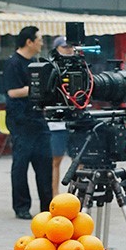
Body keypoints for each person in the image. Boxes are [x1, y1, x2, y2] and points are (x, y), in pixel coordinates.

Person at [4, 25, 53, 219]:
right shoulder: (13, 63)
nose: (42, 43)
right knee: (21, 165)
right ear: (29, 42)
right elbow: (12, 92)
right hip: (20, 121)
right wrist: (36, 88)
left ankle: (47, 206)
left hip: (38, 119)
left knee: (45, 164)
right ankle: (21, 206)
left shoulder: (35, 63)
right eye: (39, 39)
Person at [48, 36, 76, 197]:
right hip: (57, 123)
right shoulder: (51, 67)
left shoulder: (78, 66)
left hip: (75, 119)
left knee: (78, 160)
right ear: (56, 49)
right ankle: (54, 194)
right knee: (55, 160)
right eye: (65, 47)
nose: (68, 50)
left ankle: (76, 193)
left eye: (70, 47)